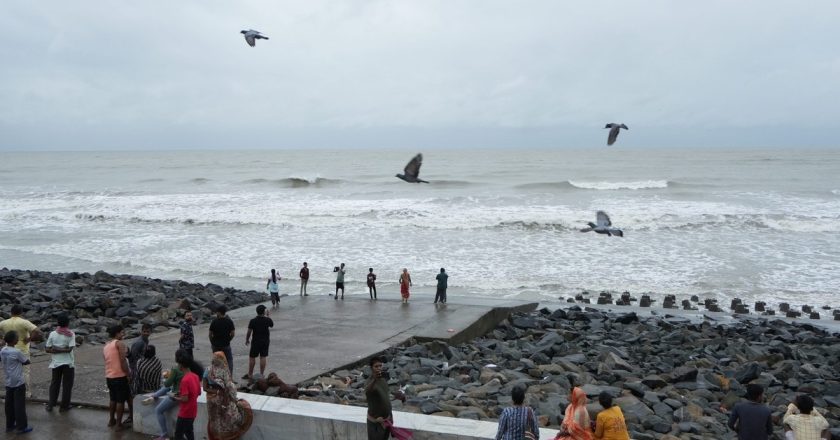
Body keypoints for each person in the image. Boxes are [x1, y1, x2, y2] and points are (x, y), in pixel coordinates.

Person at [204, 352, 253, 440]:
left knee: (214, 420)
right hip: (223, 399)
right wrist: (234, 399)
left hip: (211, 400)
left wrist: (215, 391)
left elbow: (204, 388)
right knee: (229, 420)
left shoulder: (207, 370)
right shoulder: (224, 371)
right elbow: (230, 388)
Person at [0, 304, 42, 399]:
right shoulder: (24, 322)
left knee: (9, 371)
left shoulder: (4, 323)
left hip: (8, 349)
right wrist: (29, 338)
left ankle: (10, 391)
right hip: (22, 350)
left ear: (11, 312)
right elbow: (37, 330)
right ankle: (27, 393)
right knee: (25, 372)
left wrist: (2, 339)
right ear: (21, 312)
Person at [142, 358, 187, 440]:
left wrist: (166, 377)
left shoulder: (176, 369)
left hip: (176, 395)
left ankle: (164, 434)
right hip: (183, 392)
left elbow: (167, 383)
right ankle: (154, 395)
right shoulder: (188, 369)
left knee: (158, 410)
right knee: (169, 388)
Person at [2, 331, 33, 434]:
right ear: (13, 341)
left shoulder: (3, 350)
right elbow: (26, 361)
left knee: (9, 404)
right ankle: (22, 427)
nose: (17, 339)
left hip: (8, 381)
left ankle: (10, 425)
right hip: (18, 382)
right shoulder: (16, 352)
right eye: (16, 338)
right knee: (19, 405)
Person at [45, 314, 76, 412]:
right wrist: (62, 349)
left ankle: (51, 404)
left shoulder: (53, 334)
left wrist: (56, 349)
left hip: (56, 363)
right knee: (67, 385)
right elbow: (69, 349)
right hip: (68, 363)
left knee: (55, 383)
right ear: (67, 323)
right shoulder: (71, 334)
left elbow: (47, 349)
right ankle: (64, 406)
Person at [103, 324, 131, 430]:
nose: (123, 334)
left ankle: (111, 420)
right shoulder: (119, 344)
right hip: (119, 376)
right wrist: (128, 373)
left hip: (109, 376)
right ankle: (119, 424)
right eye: (122, 332)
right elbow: (123, 360)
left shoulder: (106, 345)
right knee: (120, 401)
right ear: (117, 333)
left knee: (113, 399)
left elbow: (106, 360)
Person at [173, 349, 204, 440]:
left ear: (181, 365)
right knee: (189, 431)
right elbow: (198, 392)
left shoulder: (185, 380)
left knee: (178, 435)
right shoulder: (195, 376)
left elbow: (185, 399)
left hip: (185, 412)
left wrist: (175, 398)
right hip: (193, 411)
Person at [365, 356, 393, 440]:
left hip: (387, 419)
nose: (379, 368)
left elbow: (385, 396)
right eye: (376, 366)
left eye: (380, 366)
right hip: (376, 422)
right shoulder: (370, 381)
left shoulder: (383, 380)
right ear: (371, 368)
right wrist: (374, 379)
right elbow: (367, 391)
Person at [245, 305, 274, 380]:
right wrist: (268, 315)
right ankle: (261, 374)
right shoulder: (267, 320)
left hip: (255, 341)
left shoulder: (253, 321)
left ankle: (250, 374)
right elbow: (272, 325)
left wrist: (247, 339)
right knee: (263, 357)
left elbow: (249, 331)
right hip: (265, 341)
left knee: (252, 357)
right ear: (264, 311)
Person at [209, 305, 235, 376]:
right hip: (226, 344)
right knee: (229, 360)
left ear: (219, 312)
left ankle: (217, 376)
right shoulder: (229, 321)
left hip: (216, 345)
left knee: (216, 361)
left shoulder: (214, 322)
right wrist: (229, 339)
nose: (216, 313)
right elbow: (233, 333)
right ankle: (229, 377)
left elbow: (210, 334)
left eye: (217, 312)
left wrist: (212, 342)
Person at [129, 323, 152, 399]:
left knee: (140, 383)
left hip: (141, 365)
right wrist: (134, 368)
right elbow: (132, 356)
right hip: (135, 365)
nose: (146, 333)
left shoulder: (146, 340)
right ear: (141, 331)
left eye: (148, 332)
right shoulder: (139, 342)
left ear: (150, 332)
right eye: (144, 331)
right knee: (134, 384)